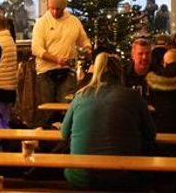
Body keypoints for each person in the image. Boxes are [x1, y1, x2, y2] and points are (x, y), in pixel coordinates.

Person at [61, 53, 155, 190]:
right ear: (120, 72)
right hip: (124, 176)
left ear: (96, 71)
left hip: (81, 177)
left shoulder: (81, 95)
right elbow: (151, 134)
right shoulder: (133, 96)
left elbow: (64, 134)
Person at [31, 0, 91, 123]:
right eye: (52, 8)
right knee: (47, 112)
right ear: (48, 6)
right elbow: (36, 49)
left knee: (67, 110)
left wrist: (87, 48)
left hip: (68, 72)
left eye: (58, 9)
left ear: (64, 7)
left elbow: (83, 40)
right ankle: (48, 141)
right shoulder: (41, 23)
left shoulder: (74, 22)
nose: (55, 12)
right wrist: (56, 59)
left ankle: (64, 141)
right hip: (45, 72)